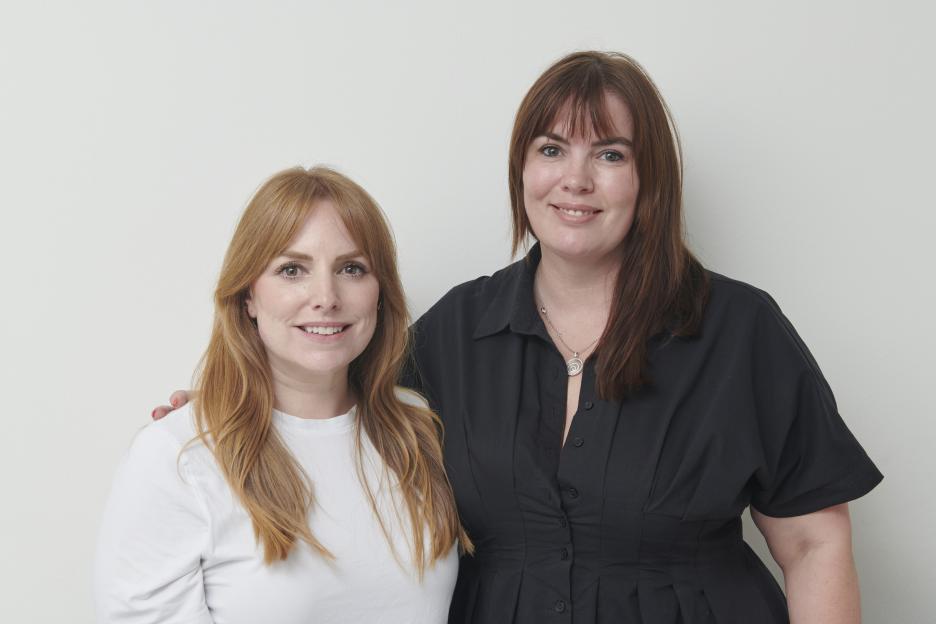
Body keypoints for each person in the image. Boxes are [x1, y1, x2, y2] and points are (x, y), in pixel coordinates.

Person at [154, 52, 882, 623]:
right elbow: (334, 402)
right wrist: (221, 412)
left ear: (648, 179)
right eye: (552, 149)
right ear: (522, 170)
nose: (576, 181)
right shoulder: (452, 334)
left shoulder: (740, 331)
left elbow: (816, 545)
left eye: (610, 154)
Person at [95, 167, 470, 624]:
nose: (326, 297)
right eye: (292, 270)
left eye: (352, 268)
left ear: (379, 293)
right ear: (248, 296)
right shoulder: (179, 456)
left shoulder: (418, 430)